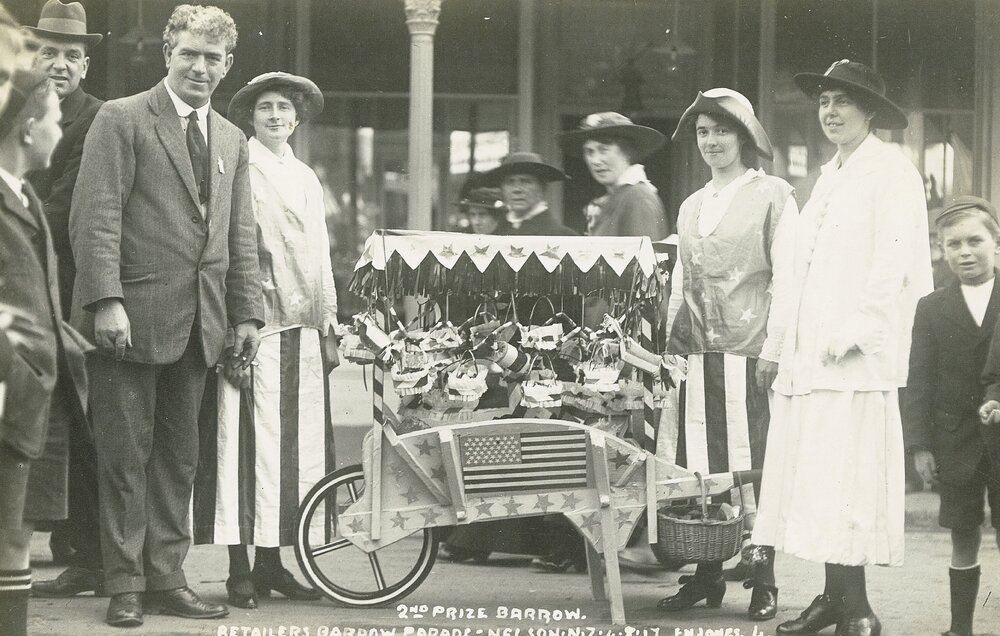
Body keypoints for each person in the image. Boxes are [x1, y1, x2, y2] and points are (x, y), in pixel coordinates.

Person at [69, 4, 264, 628]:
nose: (200, 68)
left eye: (213, 59)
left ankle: (165, 578)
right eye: (189, 55)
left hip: (201, 326)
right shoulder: (121, 118)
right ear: (167, 55)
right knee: (125, 459)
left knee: (180, 459)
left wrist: (246, 315)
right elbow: (95, 215)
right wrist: (106, 300)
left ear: (228, 65)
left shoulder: (233, 138)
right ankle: (124, 585)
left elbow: (240, 236)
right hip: (127, 320)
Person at [750, 60, 932, 636]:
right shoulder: (828, 175)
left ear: (869, 111)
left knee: (849, 481)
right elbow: (799, 272)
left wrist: (855, 330)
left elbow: (896, 262)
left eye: (842, 102)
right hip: (812, 361)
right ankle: (833, 597)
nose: (830, 112)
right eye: (824, 101)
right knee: (822, 483)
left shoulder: (891, 169)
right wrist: (780, 347)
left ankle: (859, 608)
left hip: (854, 359)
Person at [192, 71, 336, 609]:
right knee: (240, 448)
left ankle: (274, 562)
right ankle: (238, 569)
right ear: (250, 117)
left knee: (291, 454)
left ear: (298, 117)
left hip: (300, 329)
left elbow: (320, 253)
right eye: (266, 108)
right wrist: (237, 322)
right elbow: (231, 249)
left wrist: (328, 324)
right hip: (254, 326)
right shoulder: (238, 166)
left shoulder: (306, 176)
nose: (276, 116)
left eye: (285, 108)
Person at [656, 88, 797, 621]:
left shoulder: (774, 194)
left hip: (749, 354)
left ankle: (764, 580)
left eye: (721, 130)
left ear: (744, 135)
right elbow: (678, 283)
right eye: (702, 132)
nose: (712, 141)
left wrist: (775, 349)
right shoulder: (692, 204)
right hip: (694, 354)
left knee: (752, 467)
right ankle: (707, 575)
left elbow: (788, 278)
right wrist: (669, 347)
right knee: (701, 469)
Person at [0, 66, 89, 636]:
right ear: (29, 127)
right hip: (10, 397)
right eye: (55, 117)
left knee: (16, 536)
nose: (62, 127)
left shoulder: (25, 196)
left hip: (33, 398)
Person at [23, 0, 106, 597]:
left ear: (84, 64)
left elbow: (67, 206)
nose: (59, 64)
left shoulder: (95, 118)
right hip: (14, 276)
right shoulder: (12, 106)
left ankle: (80, 546)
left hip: (66, 286)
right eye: (49, 51)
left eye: (71, 55)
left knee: (77, 420)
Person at [906, 196, 1000, 636]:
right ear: (941, 250)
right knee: (963, 531)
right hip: (954, 439)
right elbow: (919, 380)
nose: (965, 251)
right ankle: (960, 628)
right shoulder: (931, 307)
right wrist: (920, 446)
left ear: (995, 243)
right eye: (953, 244)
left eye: (975, 241)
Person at [557, 111, 668, 239]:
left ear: (627, 152)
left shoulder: (638, 197)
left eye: (603, 150)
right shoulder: (613, 198)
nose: (595, 160)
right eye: (589, 152)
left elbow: (644, 256)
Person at [484, 151, 576, 236]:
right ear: (502, 189)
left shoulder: (561, 235)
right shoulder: (495, 236)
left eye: (525, 181)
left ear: (542, 188)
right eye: (510, 182)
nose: (517, 189)